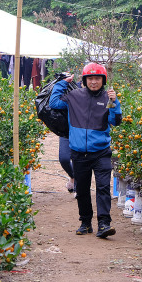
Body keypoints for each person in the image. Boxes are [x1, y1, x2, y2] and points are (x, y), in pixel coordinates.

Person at [49, 63, 122, 238]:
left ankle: (104, 224)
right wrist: (63, 83)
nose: (94, 82)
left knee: (103, 187)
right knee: (82, 189)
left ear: (103, 80)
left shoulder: (107, 98)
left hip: (101, 151)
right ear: (85, 80)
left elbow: (115, 121)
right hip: (79, 152)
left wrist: (115, 102)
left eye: (97, 78)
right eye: (90, 78)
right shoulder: (74, 96)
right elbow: (53, 102)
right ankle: (86, 222)